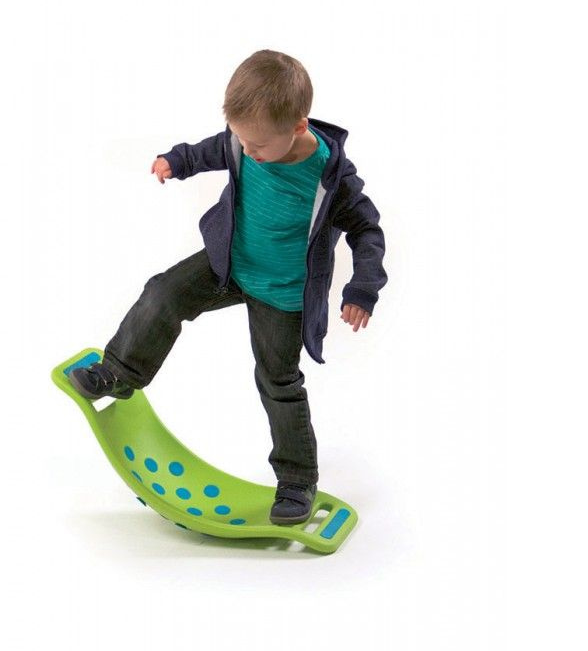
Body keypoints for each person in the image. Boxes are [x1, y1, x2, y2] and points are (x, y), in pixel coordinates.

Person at [69, 49, 387, 525]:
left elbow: (367, 230)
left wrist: (362, 289)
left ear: (298, 126)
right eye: (241, 138)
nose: (247, 151)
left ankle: (296, 482)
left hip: (282, 294)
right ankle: (119, 373)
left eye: (257, 146)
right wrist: (177, 160)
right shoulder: (245, 140)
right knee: (164, 292)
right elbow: (213, 149)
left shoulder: (331, 177)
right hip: (229, 265)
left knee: (278, 382)